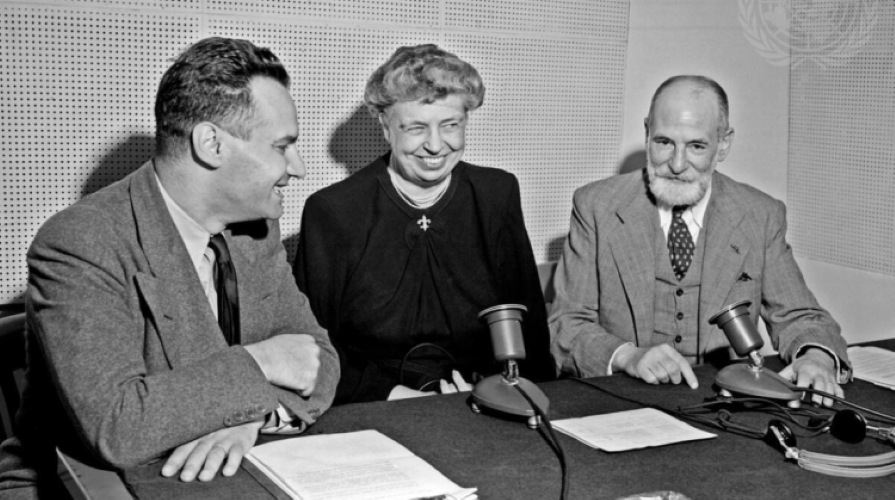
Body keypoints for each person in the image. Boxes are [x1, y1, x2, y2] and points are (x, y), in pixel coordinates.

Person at [0, 37, 339, 497]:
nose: (296, 168)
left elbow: (319, 360)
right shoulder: (80, 242)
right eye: (282, 146)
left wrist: (251, 418)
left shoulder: (256, 230)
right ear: (211, 143)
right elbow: (118, 427)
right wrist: (262, 361)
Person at [549, 75, 849, 407]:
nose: (677, 165)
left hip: (724, 406)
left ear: (723, 144)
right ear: (647, 132)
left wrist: (817, 358)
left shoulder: (760, 215)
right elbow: (565, 323)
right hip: (622, 400)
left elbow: (801, 316)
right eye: (664, 142)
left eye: (696, 146)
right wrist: (627, 357)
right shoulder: (596, 206)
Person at [294, 44, 553, 405]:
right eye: (416, 128)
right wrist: (396, 397)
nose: (435, 145)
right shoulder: (333, 211)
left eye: (451, 125)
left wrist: (503, 393)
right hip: (376, 404)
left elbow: (532, 335)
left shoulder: (497, 194)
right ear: (385, 126)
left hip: (487, 399)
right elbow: (315, 350)